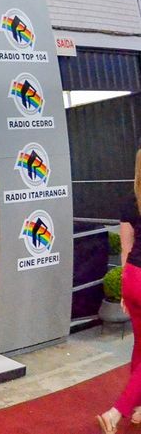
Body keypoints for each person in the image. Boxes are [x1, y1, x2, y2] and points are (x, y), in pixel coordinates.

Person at [98, 149, 141, 433]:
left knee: (140, 345)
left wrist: (125, 290)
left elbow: (126, 248)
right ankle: (117, 412)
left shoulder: (130, 199)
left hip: (133, 277)